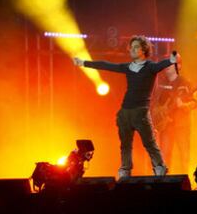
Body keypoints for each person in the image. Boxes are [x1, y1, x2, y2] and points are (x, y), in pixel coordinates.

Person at [73, 36, 178, 178]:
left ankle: (159, 167)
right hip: (125, 113)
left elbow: (163, 64)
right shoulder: (128, 67)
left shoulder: (150, 67)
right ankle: (125, 169)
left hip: (141, 112)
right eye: (131, 47)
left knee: (149, 143)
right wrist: (84, 63)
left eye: (136, 47)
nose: (132, 50)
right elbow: (106, 65)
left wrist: (171, 60)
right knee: (125, 145)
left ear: (144, 50)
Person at [152, 63, 197, 174]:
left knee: (184, 155)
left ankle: (185, 184)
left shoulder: (185, 83)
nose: (166, 67)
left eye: (169, 65)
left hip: (181, 125)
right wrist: (159, 113)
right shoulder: (161, 83)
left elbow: (194, 102)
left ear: (177, 67)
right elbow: (155, 103)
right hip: (166, 125)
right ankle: (164, 183)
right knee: (165, 155)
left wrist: (183, 106)